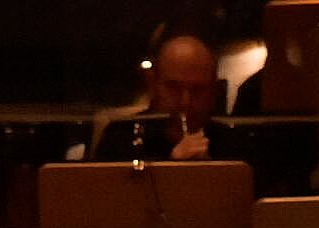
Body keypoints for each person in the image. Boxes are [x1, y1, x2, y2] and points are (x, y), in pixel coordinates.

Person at [94, 32, 228, 163]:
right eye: (173, 87)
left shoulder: (229, 141)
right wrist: (172, 166)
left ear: (213, 91)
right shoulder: (121, 137)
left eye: (198, 90)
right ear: (152, 83)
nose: (185, 102)